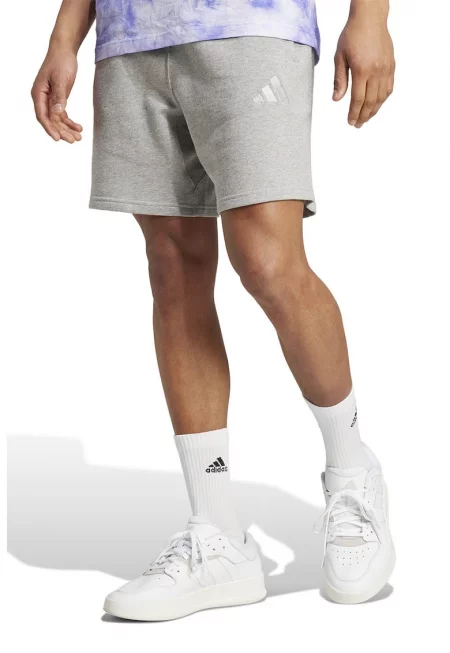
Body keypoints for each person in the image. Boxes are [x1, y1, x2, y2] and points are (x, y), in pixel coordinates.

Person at [32, 0, 396, 619]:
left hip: (254, 27)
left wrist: (372, 16)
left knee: (268, 263)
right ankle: (217, 536)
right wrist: (64, 37)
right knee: (173, 270)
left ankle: (352, 472)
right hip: (131, 38)